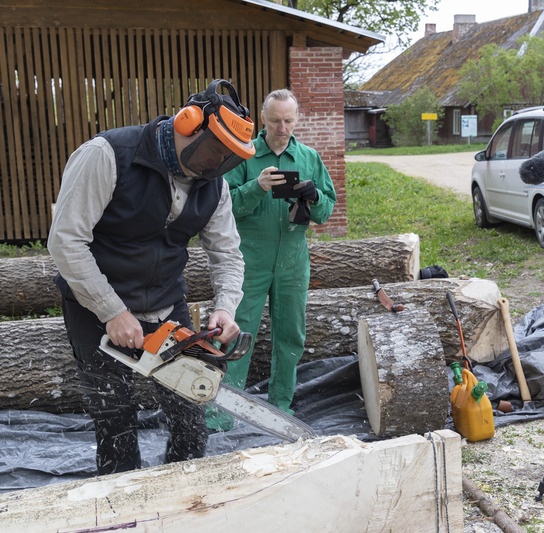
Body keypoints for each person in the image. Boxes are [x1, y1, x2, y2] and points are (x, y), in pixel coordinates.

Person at [48, 79, 254, 475]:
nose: (215, 165)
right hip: (95, 307)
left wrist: (226, 307)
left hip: (166, 305)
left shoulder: (214, 186)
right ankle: (123, 507)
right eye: (213, 151)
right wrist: (112, 311)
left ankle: (180, 497)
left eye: (226, 158)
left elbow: (227, 253)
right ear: (187, 123)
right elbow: (65, 242)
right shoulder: (107, 155)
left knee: (190, 418)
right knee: (115, 421)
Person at [205, 88, 336, 431]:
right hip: (249, 259)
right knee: (236, 332)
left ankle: (281, 406)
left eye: (289, 120)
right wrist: (257, 187)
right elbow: (223, 206)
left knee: (290, 334)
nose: (283, 127)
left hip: (293, 260)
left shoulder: (308, 157)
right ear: (263, 119)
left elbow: (326, 210)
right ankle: (222, 411)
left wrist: (315, 195)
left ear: (297, 119)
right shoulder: (242, 156)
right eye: (276, 120)